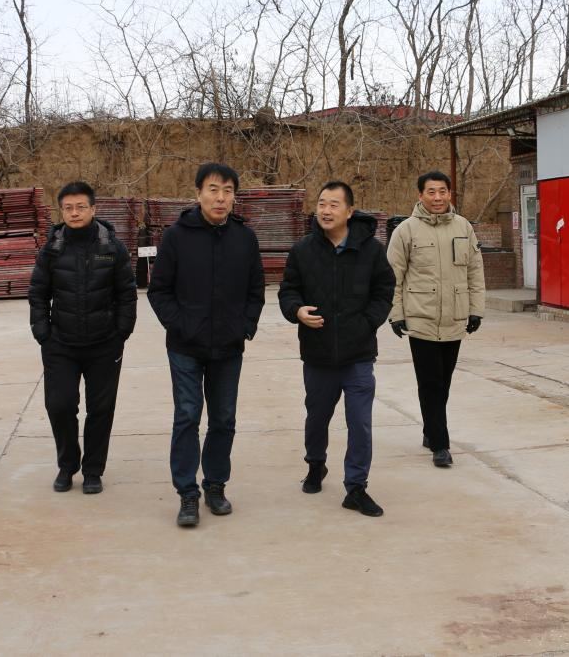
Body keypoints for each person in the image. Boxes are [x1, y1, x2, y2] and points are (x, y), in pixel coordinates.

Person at [147, 162, 265, 527]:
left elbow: (256, 290)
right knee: (187, 416)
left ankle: (215, 485)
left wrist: (244, 326)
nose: (221, 198)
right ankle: (187, 493)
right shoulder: (176, 236)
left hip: (228, 347)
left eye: (228, 191)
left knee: (224, 419)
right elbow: (159, 290)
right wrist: (181, 325)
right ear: (198, 194)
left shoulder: (244, 238)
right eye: (213, 190)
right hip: (185, 347)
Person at [279, 181, 395, 518]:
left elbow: (384, 290)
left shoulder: (371, 251)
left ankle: (356, 487)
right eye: (322, 204)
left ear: (349, 211)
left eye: (334, 204)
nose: (326, 210)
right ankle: (316, 464)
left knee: (359, 422)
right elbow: (288, 291)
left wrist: (367, 323)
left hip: (358, 354)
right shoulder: (303, 250)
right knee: (317, 418)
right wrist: (297, 311)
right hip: (317, 354)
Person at [28, 181, 137, 495]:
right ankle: (67, 465)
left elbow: (127, 294)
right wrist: (43, 333)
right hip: (61, 344)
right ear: (61, 211)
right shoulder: (52, 249)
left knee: (101, 410)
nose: (74, 213)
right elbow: (38, 294)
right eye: (68, 208)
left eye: (80, 207)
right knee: (59, 406)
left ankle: (92, 471)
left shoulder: (111, 247)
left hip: (104, 344)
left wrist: (121, 332)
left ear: (93, 209)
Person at [386, 170, 485, 468]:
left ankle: (431, 430)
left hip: (454, 318)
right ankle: (441, 445)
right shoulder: (406, 230)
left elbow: (474, 271)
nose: (437, 197)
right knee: (429, 383)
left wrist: (476, 309)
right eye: (431, 192)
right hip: (421, 319)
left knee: (444, 382)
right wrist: (396, 314)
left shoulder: (464, 227)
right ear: (420, 195)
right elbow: (392, 276)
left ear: (449, 194)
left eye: (442, 191)